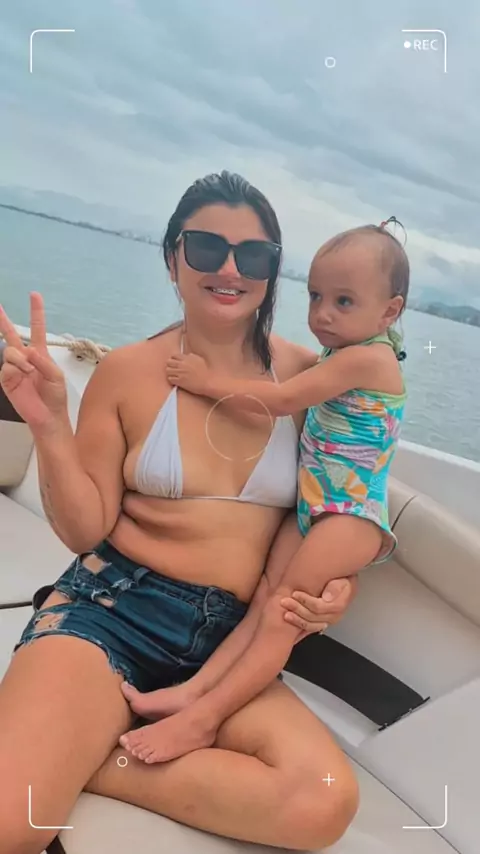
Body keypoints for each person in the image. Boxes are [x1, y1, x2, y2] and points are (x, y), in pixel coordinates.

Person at [0, 171, 359, 854]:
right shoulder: (129, 372)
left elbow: (345, 505)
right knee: (11, 826)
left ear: (272, 271)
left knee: (320, 801)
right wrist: (49, 427)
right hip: (113, 612)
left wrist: (339, 589)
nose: (230, 269)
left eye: (253, 255)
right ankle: (55, 752)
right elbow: (83, 529)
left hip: (233, 649)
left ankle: (81, 756)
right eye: (206, 248)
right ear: (173, 259)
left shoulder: (310, 381)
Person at [119, 218, 409, 764]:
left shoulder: (368, 359)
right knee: (263, 602)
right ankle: (192, 690)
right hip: (314, 507)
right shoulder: (339, 356)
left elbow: (281, 399)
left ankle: (204, 719)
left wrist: (205, 380)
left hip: (350, 515)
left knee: (282, 614)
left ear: (389, 312)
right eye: (316, 296)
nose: (323, 313)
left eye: (344, 301)